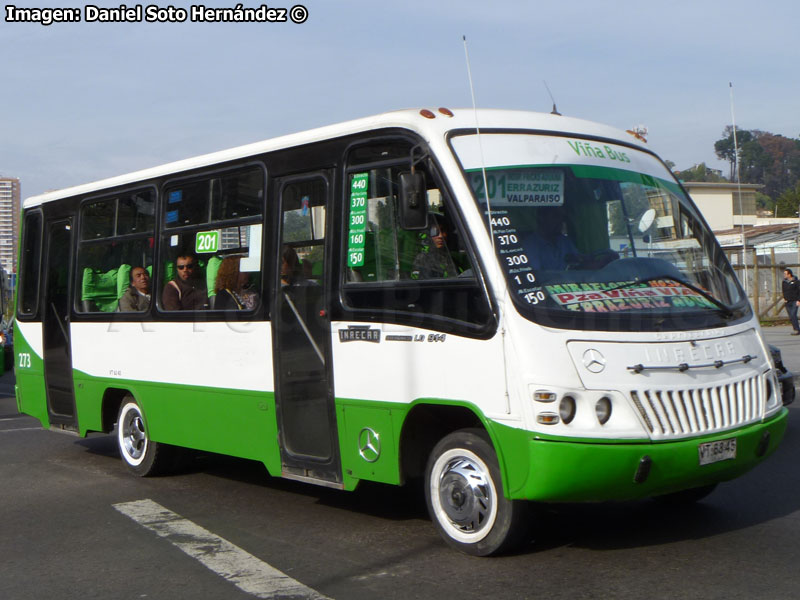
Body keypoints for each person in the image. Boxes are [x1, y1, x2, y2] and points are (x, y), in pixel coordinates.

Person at [782, 268, 800, 335]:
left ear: (789, 274)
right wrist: (784, 298)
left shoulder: (796, 281)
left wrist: (799, 300)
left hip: (794, 301)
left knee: (793, 314)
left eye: (785, 274)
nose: (784, 275)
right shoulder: (784, 282)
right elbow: (783, 291)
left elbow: (799, 291)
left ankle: (797, 330)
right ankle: (796, 328)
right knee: (791, 316)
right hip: (787, 301)